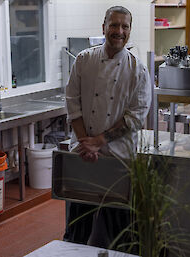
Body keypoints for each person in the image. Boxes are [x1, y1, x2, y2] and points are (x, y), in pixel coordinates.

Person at [64, 5, 152, 249]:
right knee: (76, 229)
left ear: (130, 30)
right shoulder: (84, 60)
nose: (119, 31)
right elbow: (73, 103)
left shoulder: (138, 69)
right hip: (83, 157)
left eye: (125, 26)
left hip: (117, 159)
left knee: (121, 232)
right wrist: (86, 144)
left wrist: (99, 141)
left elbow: (135, 116)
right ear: (103, 28)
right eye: (114, 25)